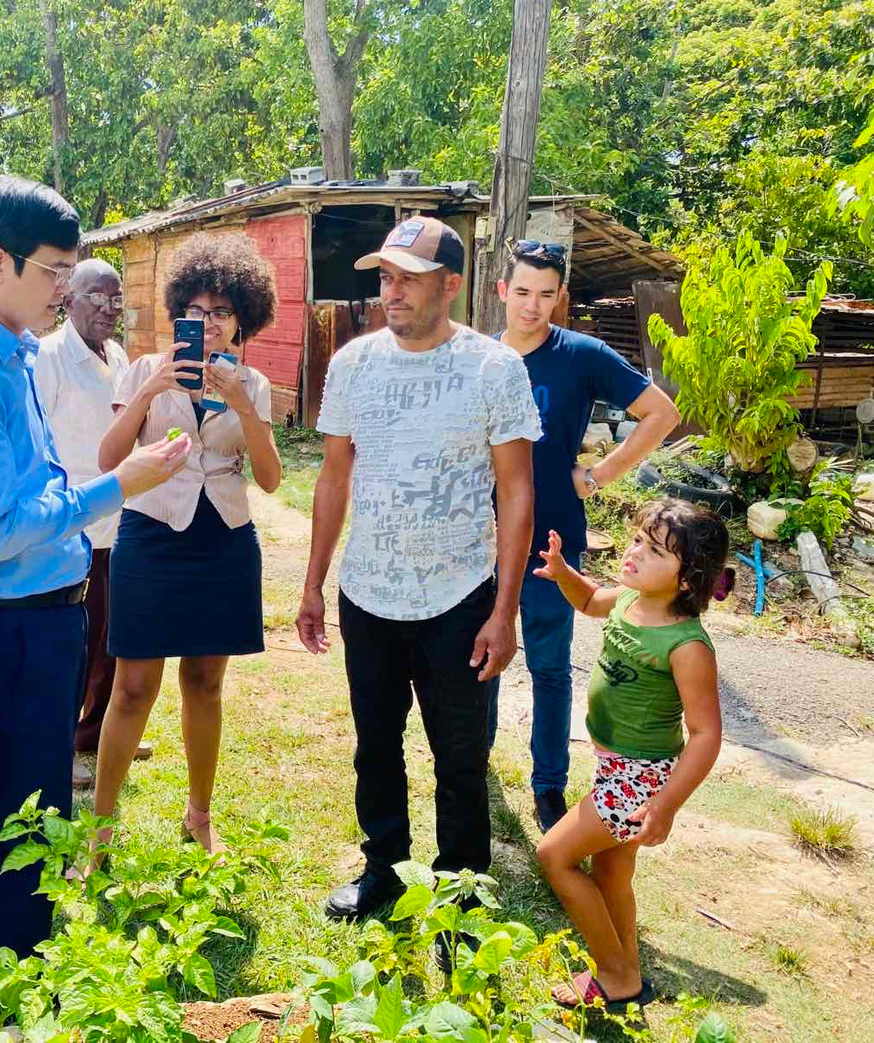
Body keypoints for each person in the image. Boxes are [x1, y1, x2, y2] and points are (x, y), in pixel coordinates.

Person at [0, 175, 190, 960]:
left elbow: (33, 482)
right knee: (22, 814)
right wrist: (116, 486)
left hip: (42, 616)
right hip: (11, 624)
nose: (66, 291)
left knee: (35, 807)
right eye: (55, 272)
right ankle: (9, 987)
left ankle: (19, 964)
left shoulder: (8, 352)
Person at [294, 216, 541, 928]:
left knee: (460, 754)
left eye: (408, 278)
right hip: (367, 589)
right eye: (385, 277)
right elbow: (334, 476)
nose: (390, 292)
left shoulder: (494, 369)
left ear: (452, 285)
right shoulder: (354, 364)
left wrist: (504, 610)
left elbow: (516, 490)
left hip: (458, 595)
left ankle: (461, 893)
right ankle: (386, 871)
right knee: (375, 743)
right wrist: (313, 581)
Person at [91, 233, 283, 857]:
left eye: (222, 312)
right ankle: (102, 825)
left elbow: (273, 478)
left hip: (223, 540)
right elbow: (107, 458)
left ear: (241, 320)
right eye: (196, 312)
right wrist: (149, 392)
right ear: (179, 313)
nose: (208, 322)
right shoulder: (146, 369)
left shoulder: (250, 383)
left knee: (205, 683)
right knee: (132, 687)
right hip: (151, 535)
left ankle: (199, 813)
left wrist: (242, 407)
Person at [490, 242, 681, 833]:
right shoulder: (475, 357)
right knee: (481, 658)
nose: (533, 305)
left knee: (548, 667)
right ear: (502, 291)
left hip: (551, 544)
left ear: (561, 296)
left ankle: (547, 784)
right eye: (522, 291)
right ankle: (472, 765)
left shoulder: (581, 354)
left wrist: (597, 477)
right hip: (479, 541)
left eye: (547, 294)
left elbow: (662, 413)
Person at [534, 499, 729, 1013]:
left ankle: (614, 973)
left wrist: (665, 804)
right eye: (639, 539)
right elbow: (591, 600)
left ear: (687, 580)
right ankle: (630, 972)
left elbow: (706, 733)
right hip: (615, 767)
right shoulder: (628, 599)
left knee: (554, 856)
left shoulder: (687, 646)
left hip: (642, 778)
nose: (637, 551)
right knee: (612, 872)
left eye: (656, 549)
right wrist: (562, 574)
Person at [35, 259, 153, 786]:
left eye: (115, 297)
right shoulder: (49, 357)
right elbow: (38, 446)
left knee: (110, 635)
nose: (109, 308)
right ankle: (58, 744)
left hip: (118, 519)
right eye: (97, 297)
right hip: (72, 521)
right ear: (69, 299)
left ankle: (99, 732)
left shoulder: (118, 355)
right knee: (74, 643)